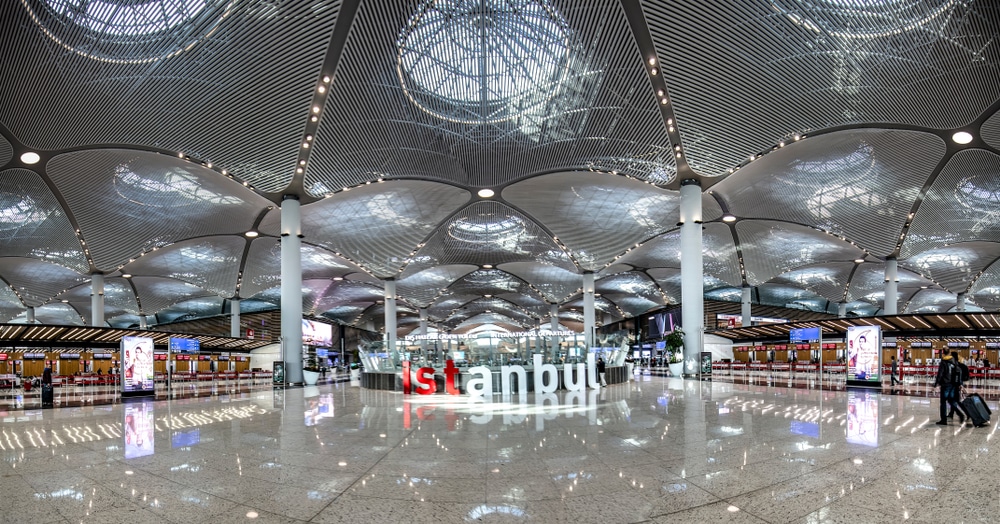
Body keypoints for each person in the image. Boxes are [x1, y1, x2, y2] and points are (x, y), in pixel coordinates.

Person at [934, 351, 964, 426]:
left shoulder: (944, 362)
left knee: (943, 402)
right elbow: (959, 372)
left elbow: (940, 373)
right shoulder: (954, 362)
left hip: (945, 384)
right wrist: (960, 383)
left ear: (943, 353)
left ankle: (944, 420)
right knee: (951, 400)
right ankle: (959, 413)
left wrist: (936, 383)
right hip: (953, 384)